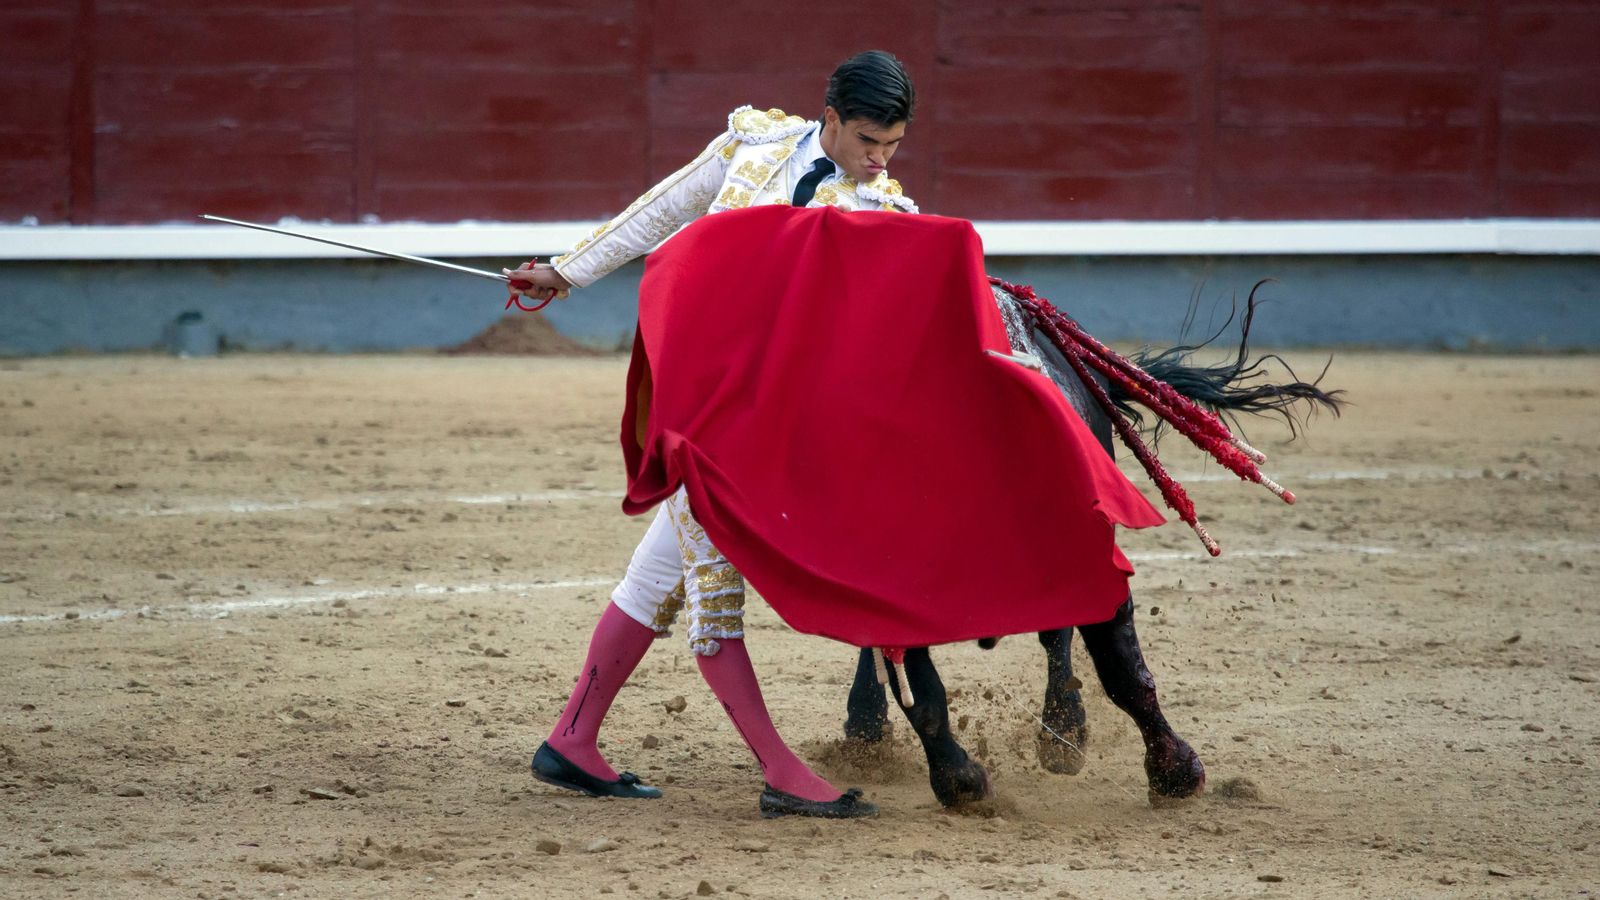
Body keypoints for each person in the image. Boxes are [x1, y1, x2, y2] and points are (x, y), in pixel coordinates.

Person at [510, 50, 917, 819]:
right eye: (868, 141)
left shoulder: (884, 215)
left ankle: (572, 740)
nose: (879, 160)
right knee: (713, 594)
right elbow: (661, 211)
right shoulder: (752, 146)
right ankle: (782, 772)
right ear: (828, 119)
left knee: (656, 574)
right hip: (699, 409)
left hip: (770, 426)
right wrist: (565, 272)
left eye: (893, 147)